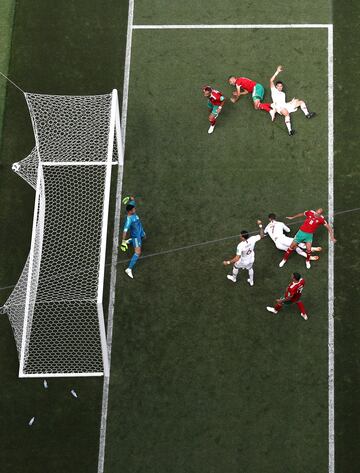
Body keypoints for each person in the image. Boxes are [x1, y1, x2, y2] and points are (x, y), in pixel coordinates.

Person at [269, 65, 316, 136]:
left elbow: (284, 103)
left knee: (301, 102)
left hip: (285, 105)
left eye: (281, 86)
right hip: (279, 108)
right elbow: (271, 80)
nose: (280, 87)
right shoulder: (273, 90)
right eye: (278, 86)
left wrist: (291, 102)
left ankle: (307, 114)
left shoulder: (283, 94)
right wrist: (277, 72)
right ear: (276, 86)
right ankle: (290, 131)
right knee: (286, 113)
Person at [223, 220, 265, 286]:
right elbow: (262, 235)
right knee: (250, 268)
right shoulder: (253, 238)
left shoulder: (240, 245)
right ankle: (251, 281)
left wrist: (228, 262)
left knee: (235, 267)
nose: (239, 236)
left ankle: (234, 278)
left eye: (240, 236)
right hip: (251, 258)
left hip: (244, 261)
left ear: (243, 237)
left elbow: (237, 258)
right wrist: (260, 225)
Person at [121, 196, 146, 279]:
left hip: (140, 232)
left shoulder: (131, 208)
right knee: (138, 252)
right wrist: (123, 241)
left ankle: (129, 241)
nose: (135, 209)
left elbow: (132, 199)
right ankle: (129, 269)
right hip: (136, 237)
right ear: (130, 211)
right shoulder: (129, 220)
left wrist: (129, 198)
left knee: (143, 237)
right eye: (134, 209)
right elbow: (125, 231)